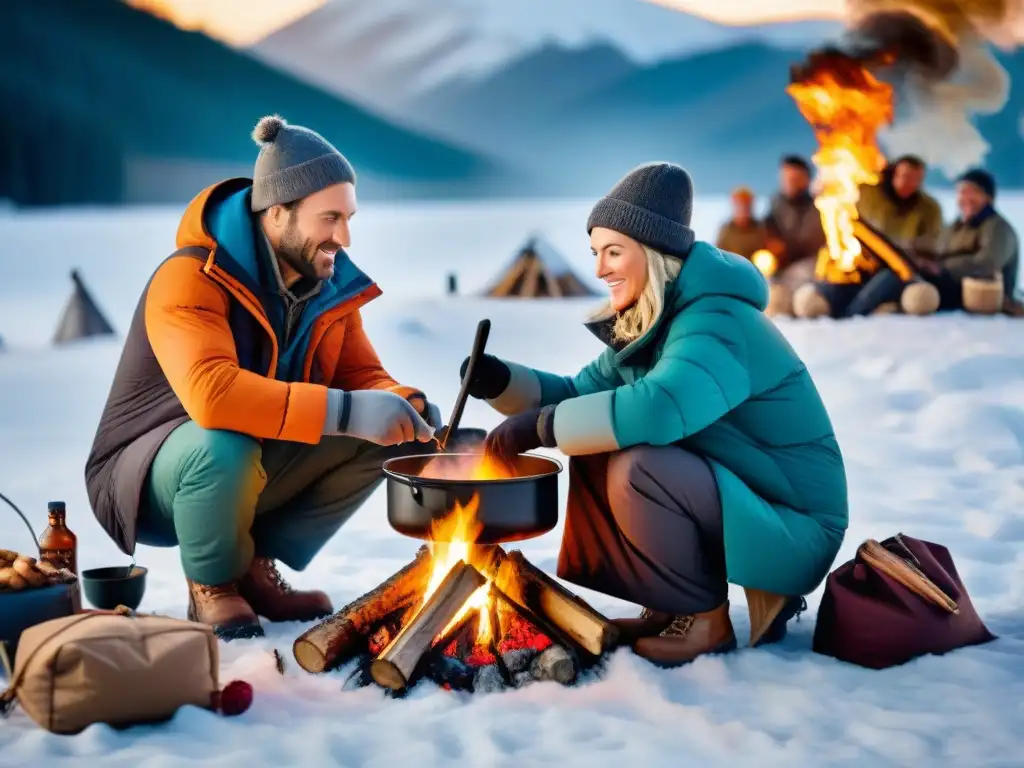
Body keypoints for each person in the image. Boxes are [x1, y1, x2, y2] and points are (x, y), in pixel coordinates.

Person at [462, 162, 849, 666]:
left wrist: (540, 428)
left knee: (638, 461)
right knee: (603, 434)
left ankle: (706, 622)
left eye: (614, 252)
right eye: (596, 253)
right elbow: (581, 393)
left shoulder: (715, 319)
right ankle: (669, 606)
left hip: (795, 525)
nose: (600, 268)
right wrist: (500, 381)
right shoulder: (654, 320)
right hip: (750, 499)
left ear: (654, 253)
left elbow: (664, 408)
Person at [85, 115, 442, 640]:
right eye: (330, 218)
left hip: (248, 454)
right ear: (278, 213)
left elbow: (363, 376)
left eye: (349, 217)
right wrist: (349, 410)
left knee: (390, 433)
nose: (343, 237)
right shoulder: (190, 276)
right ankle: (213, 584)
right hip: (149, 472)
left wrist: (407, 407)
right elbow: (213, 395)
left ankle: (254, 565)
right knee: (223, 443)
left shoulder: (329, 287)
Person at [824, 168, 1019, 316]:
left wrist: (942, 268)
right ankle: (842, 303)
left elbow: (986, 264)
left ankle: (853, 314)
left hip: (974, 292)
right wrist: (898, 247)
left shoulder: (997, 228)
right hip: (950, 282)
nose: (965, 198)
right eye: (962, 192)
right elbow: (933, 245)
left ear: (988, 197)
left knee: (895, 276)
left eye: (972, 192)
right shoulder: (958, 226)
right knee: (890, 266)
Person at [856, 155, 944, 251]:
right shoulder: (865, 193)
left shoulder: (928, 209)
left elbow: (928, 245)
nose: (911, 183)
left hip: (899, 261)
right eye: (906, 176)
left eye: (917, 180)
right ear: (894, 175)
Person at [764, 155, 827, 289]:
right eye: (785, 178)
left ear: (805, 180)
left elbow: (813, 242)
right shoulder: (775, 207)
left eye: (793, 179)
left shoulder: (819, 206)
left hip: (814, 267)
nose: (788, 183)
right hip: (782, 271)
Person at [715, 186, 768, 260]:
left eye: (746, 205)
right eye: (740, 205)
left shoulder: (761, 229)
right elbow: (718, 255)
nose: (743, 209)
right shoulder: (726, 230)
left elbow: (767, 252)